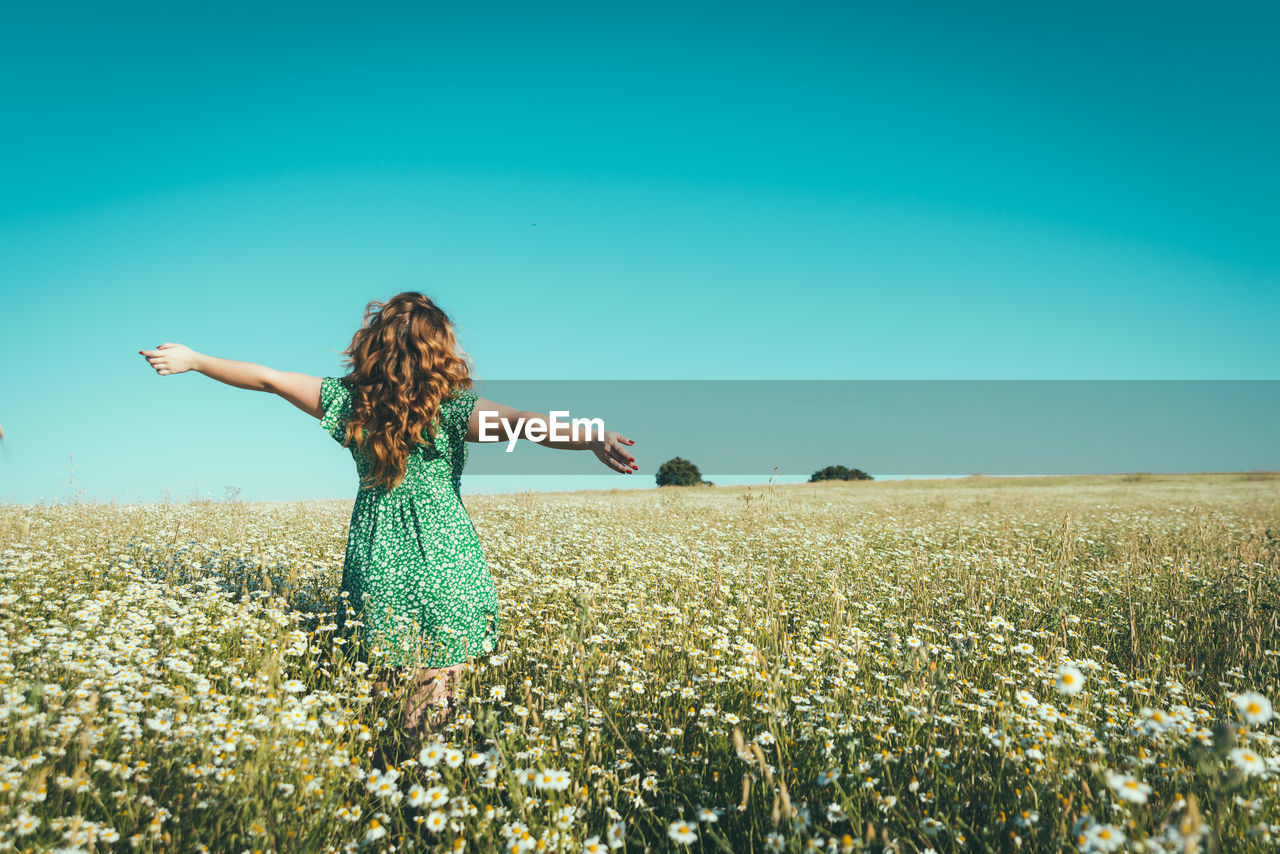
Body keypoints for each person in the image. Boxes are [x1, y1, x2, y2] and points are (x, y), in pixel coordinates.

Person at [138, 291, 637, 744]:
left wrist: (197, 360)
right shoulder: (455, 409)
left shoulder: (351, 403)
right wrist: (591, 435)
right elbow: (526, 424)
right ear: (441, 350)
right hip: (449, 564)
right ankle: (428, 810)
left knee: (382, 713)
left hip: (378, 561)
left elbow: (269, 379)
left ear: (372, 347)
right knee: (435, 716)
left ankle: (392, 796)